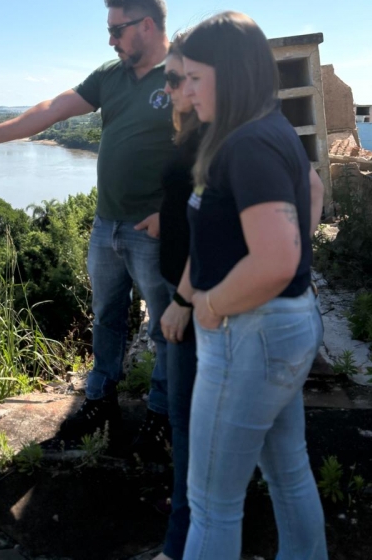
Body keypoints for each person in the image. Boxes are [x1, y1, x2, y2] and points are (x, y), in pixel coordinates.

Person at [0, 0, 175, 450]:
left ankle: (162, 412)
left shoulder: (183, 75)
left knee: (165, 325)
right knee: (106, 317)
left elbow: (208, 147)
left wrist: (174, 211)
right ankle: (100, 398)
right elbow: (53, 109)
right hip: (106, 225)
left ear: (146, 25)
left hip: (154, 230)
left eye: (117, 29)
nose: (110, 39)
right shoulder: (110, 75)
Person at [173, 12, 327, 560]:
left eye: (195, 77)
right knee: (289, 473)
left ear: (231, 74)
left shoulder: (247, 144)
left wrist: (212, 304)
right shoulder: (271, 127)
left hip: (250, 334)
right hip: (282, 326)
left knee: (212, 502)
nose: (186, 92)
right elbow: (310, 190)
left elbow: (276, 260)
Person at [152, 32, 202, 560]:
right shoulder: (189, 130)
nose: (166, 88)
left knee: (187, 415)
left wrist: (184, 299)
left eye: (173, 77)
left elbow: (210, 227)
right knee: (186, 412)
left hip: (193, 295)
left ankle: (181, 540)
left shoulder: (214, 134)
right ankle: (191, 506)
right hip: (179, 284)